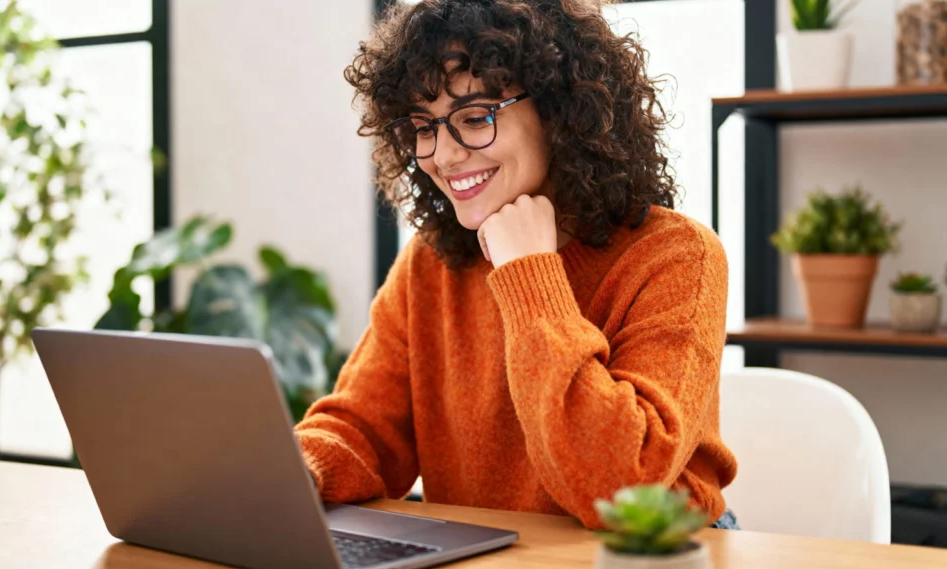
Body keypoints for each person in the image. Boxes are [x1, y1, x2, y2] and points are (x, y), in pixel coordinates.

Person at [294, 0, 739, 530]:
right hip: (492, 558)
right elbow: (363, 430)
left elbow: (619, 485)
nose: (444, 155)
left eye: (476, 118)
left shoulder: (677, 256)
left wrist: (529, 273)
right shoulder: (429, 265)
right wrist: (293, 471)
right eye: (423, 126)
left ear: (560, 112)